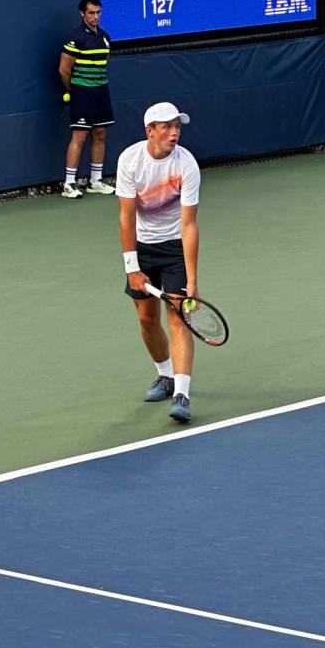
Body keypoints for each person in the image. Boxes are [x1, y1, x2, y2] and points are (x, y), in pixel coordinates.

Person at [116, 102, 200, 423]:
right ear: (149, 131)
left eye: (177, 125)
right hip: (142, 247)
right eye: (166, 126)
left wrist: (192, 280)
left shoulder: (186, 165)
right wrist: (132, 267)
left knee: (178, 319)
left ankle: (182, 392)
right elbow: (126, 215)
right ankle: (164, 375)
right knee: (147, 321)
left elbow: (189, 224)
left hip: (175, 248)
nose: (174, 131)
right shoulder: (130, 160)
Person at [58, 0, 115, 199]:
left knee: (100, 133)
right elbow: (64, 70)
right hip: (82, 91)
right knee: (79, 136)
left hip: (101, 90)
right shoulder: (75, 38)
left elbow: (104, 63)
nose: (95, 16)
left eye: (98, 12)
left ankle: (95, 181)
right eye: (91, 13)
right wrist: (75, 90)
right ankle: (69, 184)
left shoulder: (106, 37)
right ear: (82, 13)